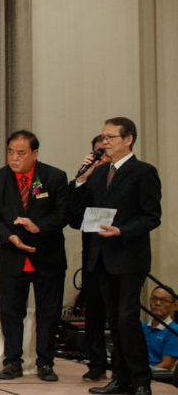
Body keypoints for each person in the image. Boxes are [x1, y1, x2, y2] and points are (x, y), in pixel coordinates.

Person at [72, 117, 163, 395]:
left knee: (127, 317)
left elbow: (152, 216)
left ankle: (141, 380)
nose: (105, 143)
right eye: (103, 137)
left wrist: (122, 230)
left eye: (110, 137)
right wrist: (80, 179)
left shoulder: (143, 171)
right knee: (114, 320)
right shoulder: (98, 174)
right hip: (101, 256)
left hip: (129, 255)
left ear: (128, 139)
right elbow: (78, 217)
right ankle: (121, 378)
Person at [0, 130, 70, 382]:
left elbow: (63, 212)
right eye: (10, 152)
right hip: (13, 256)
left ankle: (45, 363)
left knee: (48, 313)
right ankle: (12, 362)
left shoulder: (54, 177)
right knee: (11, 313)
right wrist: (10, 237)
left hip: (47, 257)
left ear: (34, 153)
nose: (14, 158)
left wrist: (38, 226)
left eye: (21, 153)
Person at [79, 134, 112, 382]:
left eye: (106, 151)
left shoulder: (129, 175)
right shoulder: (90, 179)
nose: (102, 156)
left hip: (120, 253)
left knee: (120, 313)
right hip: (93, 254)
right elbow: (73, 216)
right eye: (98, 153)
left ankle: (122, 366)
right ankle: (96, 363)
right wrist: (82, 179)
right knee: (94, 313)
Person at [144, 288, 178, 372]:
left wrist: (141, 375)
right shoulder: (141, 327)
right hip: (139, 373)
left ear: (173, 306)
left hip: (159, 377)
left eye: (164, 300)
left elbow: (166, 366)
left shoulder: (174, 331)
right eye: (154, 299)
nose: (158, 303)